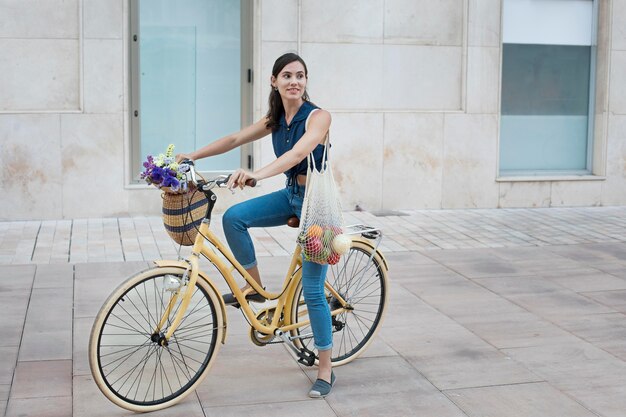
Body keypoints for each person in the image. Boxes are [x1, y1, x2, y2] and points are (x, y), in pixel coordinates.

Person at [176, 52, 335, 398]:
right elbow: (234, 139)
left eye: (301, 75)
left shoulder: (319, 117)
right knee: (234, 218)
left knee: (312, 290)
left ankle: (325, 369)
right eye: (287, 75)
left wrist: (256, 175)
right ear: (274, 81)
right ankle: (253, 286)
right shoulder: (276, 119)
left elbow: (295, 155)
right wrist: (193, 155)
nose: (295, 81)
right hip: (292, 195)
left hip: (318, 207)